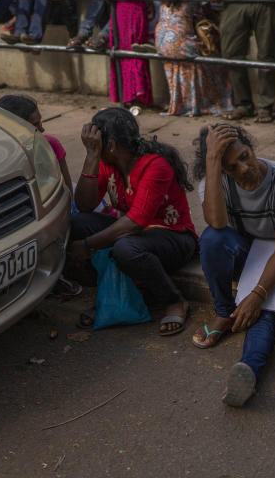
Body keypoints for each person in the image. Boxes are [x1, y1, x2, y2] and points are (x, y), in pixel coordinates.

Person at [192, 124, 275, 406]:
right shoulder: (214, 180)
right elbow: (216, 224)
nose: (243, 168)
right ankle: (223, 310)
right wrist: (213, 162)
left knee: (261, 315)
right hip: (242, 253)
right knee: (212, 239)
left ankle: (248, 371)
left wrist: (258, 293)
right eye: (231, 166)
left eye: (245, 156)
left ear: (251, 147)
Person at [68, 108, 197, 335]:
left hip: (174, 238)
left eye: (97, 143)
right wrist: (91, 158)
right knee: (79, 223)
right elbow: (85, 205)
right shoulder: (107, 162)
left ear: (112, 145)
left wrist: (88, 245)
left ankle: (175, 300)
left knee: (125, 248)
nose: (93, 146)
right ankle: (114, 295)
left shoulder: (154, 165)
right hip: (138, 235)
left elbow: (135, 222)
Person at [156, 0, 233, 116]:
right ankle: (209, 102)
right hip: (181, 42)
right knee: (215, 59)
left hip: (161, 41)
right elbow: (207, 13)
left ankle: (181, 103)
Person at [0, 94, 74, 194]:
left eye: (40, 122)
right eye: (35, 125)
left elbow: (68, 193)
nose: (42, 129)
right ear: (13, 128)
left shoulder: (50, 146)